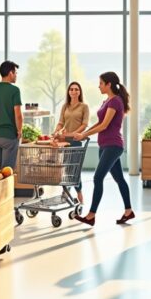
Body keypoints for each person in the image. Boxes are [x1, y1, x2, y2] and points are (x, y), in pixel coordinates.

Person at [73, 72, 134, 226]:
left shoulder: (115, 102)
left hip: (113, 145)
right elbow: (99, 123)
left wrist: (84, 134)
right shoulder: (107, 101)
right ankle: (129, 211)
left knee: (97, 178)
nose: (98, 86)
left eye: (100, 83)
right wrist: (83, 134)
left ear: (108, 84)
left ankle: (91, 215)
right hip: (105, 145)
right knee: (119, 179)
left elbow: (105, 125)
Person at [52, 81, 89, 203]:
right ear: (68, 92)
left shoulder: (84, 107)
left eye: (76, 89)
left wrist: (74, 134)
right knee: (67, 168)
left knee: (75, 169)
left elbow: (84, 124)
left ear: (80, 92)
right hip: (64, 141)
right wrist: (56, 131)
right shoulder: (65, 106)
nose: (74, 91)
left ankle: (79, 192)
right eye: (71, 89)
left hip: (76, 141)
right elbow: (61, 122)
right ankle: (66, 191)